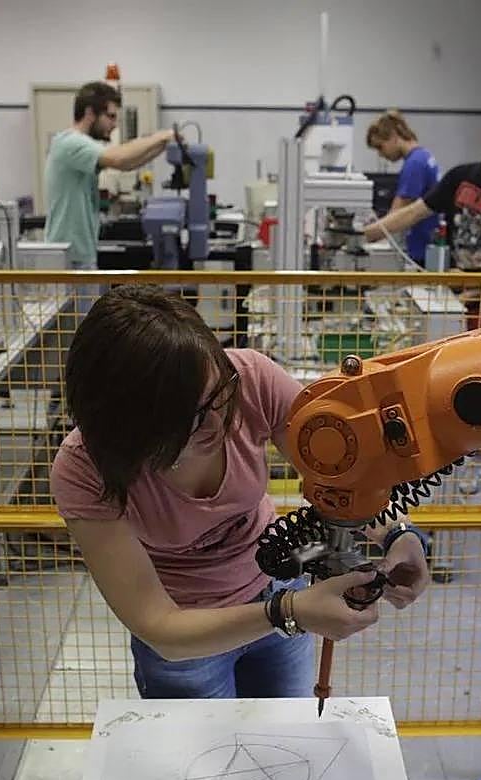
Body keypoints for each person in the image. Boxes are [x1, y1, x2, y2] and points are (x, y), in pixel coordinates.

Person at [50, 285, 432, 699]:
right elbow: (159, 627)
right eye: (192, 418)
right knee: (202, 741)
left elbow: (343, 478)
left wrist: (398, 534)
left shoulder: (250, 380)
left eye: (220, 395)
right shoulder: (84, 468)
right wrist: (288, 613)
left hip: (277, 592)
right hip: (190, 637)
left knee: (284, 729)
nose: (219, 423)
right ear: (133, 429)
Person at [364, 109, 481, 272]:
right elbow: (413, 213)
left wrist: (475, 290)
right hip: (452, 284)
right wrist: (365, 234)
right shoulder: (459, 177)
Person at [44, 82, 176, 269]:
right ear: (90, 113)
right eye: (111, 117)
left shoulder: (81, 144)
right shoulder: (70, 143)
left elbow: (128, 164)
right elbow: (119, 158)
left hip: (81, 257)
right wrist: (161, 136)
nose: (114, 125)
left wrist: (162, 146)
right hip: (69, 260)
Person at [366, 110, 440, 266]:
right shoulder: (424, 156)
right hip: (429, 246)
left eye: (380, 147)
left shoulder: (414, 164)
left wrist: (361, 235)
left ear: (394, 136)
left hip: (421, 252)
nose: (380, 154)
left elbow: (395, 218)